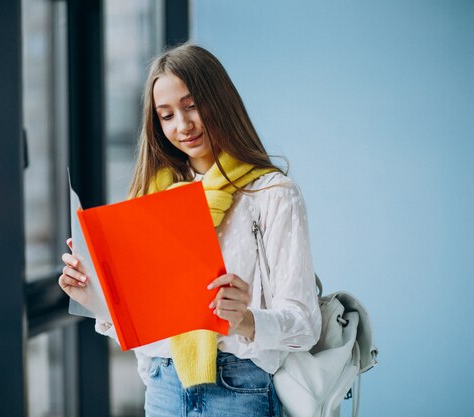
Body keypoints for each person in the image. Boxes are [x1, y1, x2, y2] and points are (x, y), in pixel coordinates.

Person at [59, 44, 321, 417]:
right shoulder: (152, 197)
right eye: (166, 115)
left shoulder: (272, 194)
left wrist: (244, 318)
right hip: (163, 388)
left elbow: (305, 325)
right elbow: (147, 328)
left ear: (221, 100)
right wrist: (95, 297)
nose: (182, 126)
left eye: (192, 105)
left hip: (239, 390)